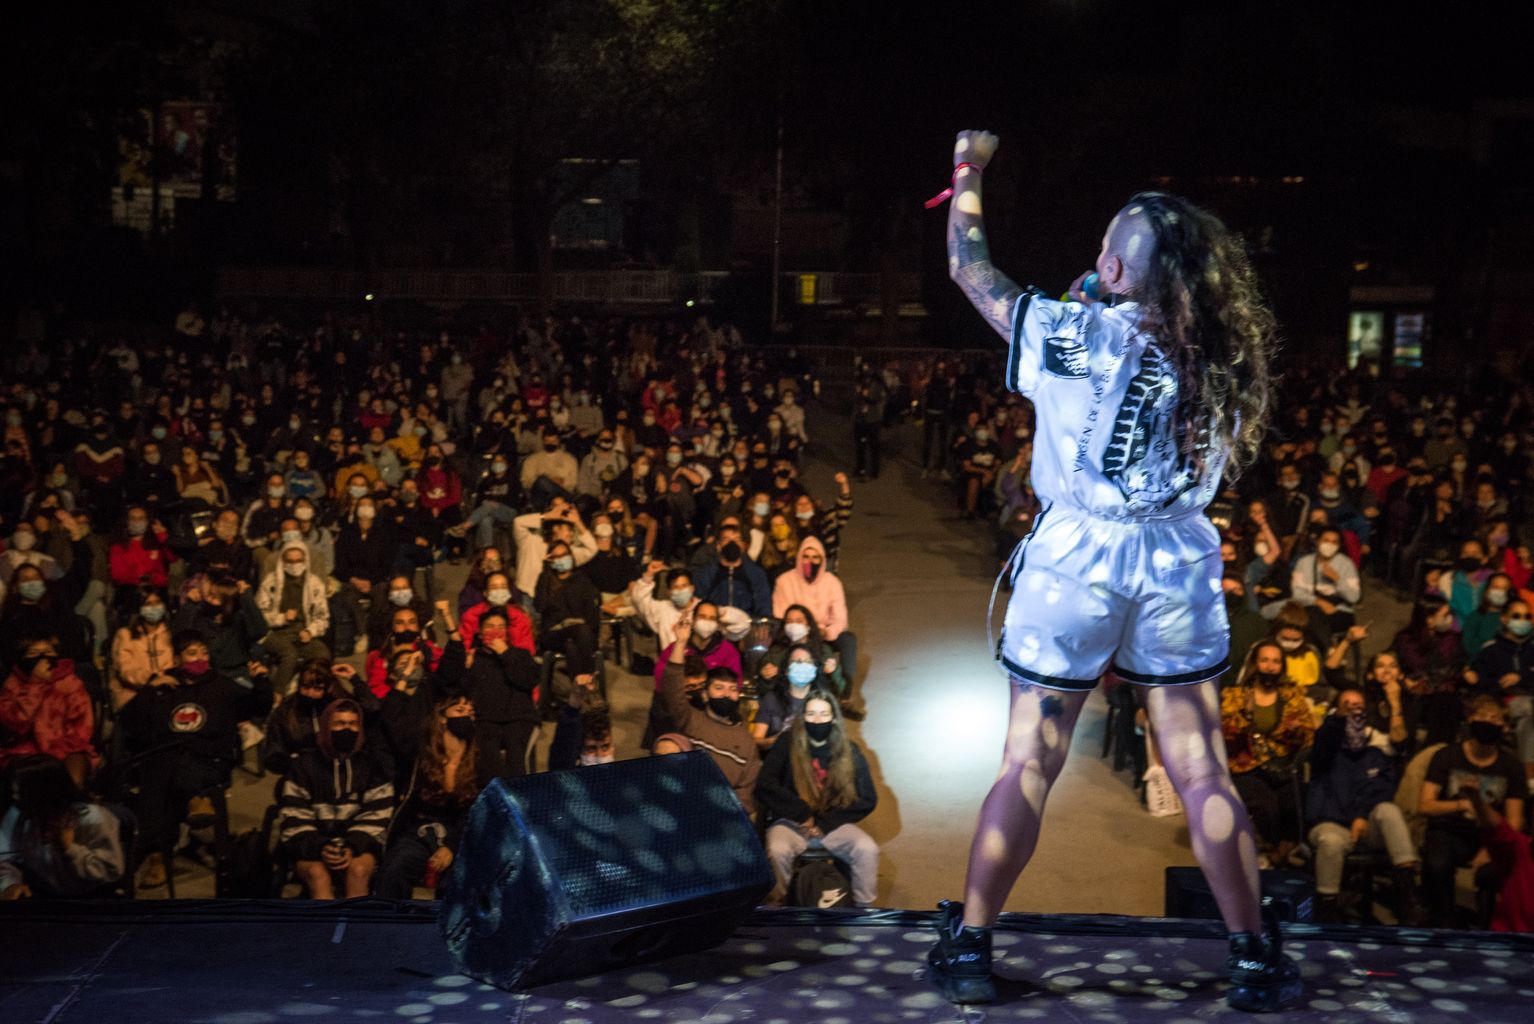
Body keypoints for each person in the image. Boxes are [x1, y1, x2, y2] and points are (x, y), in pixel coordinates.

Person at [928, 131, 1296, 1011]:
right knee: (1202, 771)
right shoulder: (1227, 357)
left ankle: (973, 942)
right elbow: (1137, 317)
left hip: (1073, 564)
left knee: (1027, 762)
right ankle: (1250, 953)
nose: (1094, 262)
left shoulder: (1068, 332)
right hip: (1174, 560)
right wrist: (1114, 286)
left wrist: (968, 175)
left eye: (1106, 251)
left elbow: (970, 269)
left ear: (1121, 271)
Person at [117, 632, 273, 889]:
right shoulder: (165, 686)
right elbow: (130, 721)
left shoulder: (221, 685)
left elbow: (257, 706)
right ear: (178, 659)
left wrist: (262, 680)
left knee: (179, 768)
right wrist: (150, 690)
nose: (200, 658)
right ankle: (161, 847)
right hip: (166, 758)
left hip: (208, 758)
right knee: (157, 779)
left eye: (203, 653)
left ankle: (167, 843)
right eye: (192, 654)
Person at [1304, 689, 1424, 925]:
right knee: (1330, 841)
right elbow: (1323, 743)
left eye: (1358, 705)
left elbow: (1382, 789)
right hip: (1331, 823)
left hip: (1367, 826)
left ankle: (1408, 894)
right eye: (1346, 704)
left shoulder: (1375, 751)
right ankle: (1327, 911)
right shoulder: (1326, 749)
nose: (1353, 709)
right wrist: (1338, 719)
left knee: (1389, 811)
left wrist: (1361, 815)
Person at [755, 690, 879, 907]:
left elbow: (868, 798)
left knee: (867, 849)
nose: (817, 720)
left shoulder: (849, 749)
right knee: (778, 850)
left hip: (831, 824)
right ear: (802, 717)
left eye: (823, 714)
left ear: (834, 717)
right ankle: (776, 905)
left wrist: (824, 823)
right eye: (811, 714)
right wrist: (803, 815)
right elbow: (765, 784)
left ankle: (864, 910)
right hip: (792, 820)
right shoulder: (787, 742)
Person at [1418, 697, 1528, 927]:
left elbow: (1514, 821)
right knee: (1438, 863)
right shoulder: (1447, 756)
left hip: (1487, 837)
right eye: (1481, 717)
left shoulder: (1511, 766)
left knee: (1496, 872)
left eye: (1494, 718)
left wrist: (1491, 849)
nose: (1487, 722)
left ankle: (1488, 927)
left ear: (1504, 726)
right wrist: (1464, 804)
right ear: (1470, 720)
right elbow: (1425, 805)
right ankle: (1444, 923)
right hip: (1449, 831)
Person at [276, 699, 394, 900]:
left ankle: (353, 928)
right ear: (326, 727)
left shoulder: (372, 767)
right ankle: (324, 928)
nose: (346, 729)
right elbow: (294, 816)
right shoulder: (303, 767)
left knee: (358, 870)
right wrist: (321, 847)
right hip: (312, 846)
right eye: (339, 723)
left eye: (352, 724)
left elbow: (378, 815)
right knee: (317, 874)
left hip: (356, 846)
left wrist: (352, 846)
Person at [376, 692, 483, 899]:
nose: (467, 717)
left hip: (462, 834)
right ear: (442, 718)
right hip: (420, 830)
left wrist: (451, 847)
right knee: (395, 868)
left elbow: (477, 811)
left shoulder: (480, 759)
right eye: (459, 711)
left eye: (471, 713)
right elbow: (392, 721)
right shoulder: (421, 755)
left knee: (458, 879)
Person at [659, 615, 759, 812]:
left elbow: (747, 793)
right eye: (719, 688)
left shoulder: (746, 741)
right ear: (705, 695)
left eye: (732, 690)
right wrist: (680, 643)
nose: (727, 694)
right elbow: (672, 685)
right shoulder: (690, 718)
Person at [0, 754, 124, 899]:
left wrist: (70, 850)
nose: (16, 800)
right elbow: (5, 856)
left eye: (22, 794)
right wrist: (10, 884)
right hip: (39, 892)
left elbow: (112, 869)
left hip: (88, 898)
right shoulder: (19, 814)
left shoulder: (93, 819)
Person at [435, 607, 540, 779]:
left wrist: (506, 654)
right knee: (488, 760)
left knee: (516, 758)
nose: (496, 631)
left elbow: (529, 680)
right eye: (490, 626)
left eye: (501, 627)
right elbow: (460, 689)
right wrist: (467, 669)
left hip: (518, 717)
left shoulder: (520, 655)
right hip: (485, 719)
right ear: (480, 631)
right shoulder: (473, 658)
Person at [0, 636, 98, 789]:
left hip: (67, 749)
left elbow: (83, 727)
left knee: (74, 779)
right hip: (24, 751)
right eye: (33, 653)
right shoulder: (12, 684)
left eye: (48, 652)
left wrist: (57, 750)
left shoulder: (70, 683)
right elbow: (15, 725)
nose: (42, 658)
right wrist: (35, 685)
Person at [255, 540, 332, 691]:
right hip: (275, 634)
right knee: (289, 655)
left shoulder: (315, 584)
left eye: (298, 560)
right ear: (283, 561)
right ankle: (276, 694)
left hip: (302, 633)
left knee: (322, 653)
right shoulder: (271, 582)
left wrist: (310, 631)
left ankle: (308, 688)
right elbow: (259, 615)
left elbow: (323, 617)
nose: (294, 565)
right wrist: (281, 618)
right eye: (290, 561)